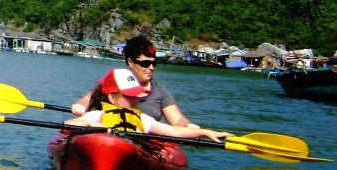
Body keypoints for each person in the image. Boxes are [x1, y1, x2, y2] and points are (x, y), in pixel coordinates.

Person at [66, 68, 230, 144]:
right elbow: (67, 125)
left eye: (136, 96)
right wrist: (88, 123)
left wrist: (205, 132)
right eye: (129, 96)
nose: (135, 100)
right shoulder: (97, 116)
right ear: (112, 98)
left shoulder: (142, 119)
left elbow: (173, 131)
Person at [71, 35, 196, 127]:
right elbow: (87, 99)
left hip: (144, 141)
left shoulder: (159, 90)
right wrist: (80, 106)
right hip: (106, 133)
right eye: (146, 63)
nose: (151, 68)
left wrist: (187, 126)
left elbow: (177, 119)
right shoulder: (113, 79)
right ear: (131, 62)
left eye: (154, 63)